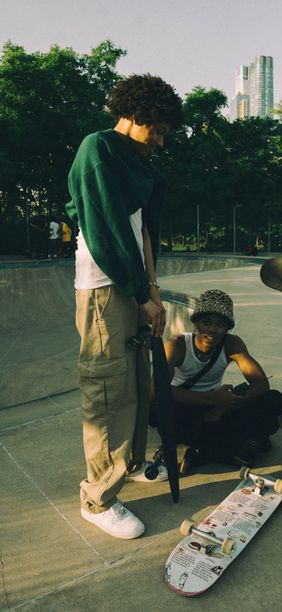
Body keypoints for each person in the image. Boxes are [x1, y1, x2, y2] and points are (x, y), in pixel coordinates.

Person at [65, 74, 182, 540]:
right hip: (104, 288)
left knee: (135, 382)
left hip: (133, 286)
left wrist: (153, 292)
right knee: (107, 389)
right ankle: (97, 496)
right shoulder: (99, 148)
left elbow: (143, 233)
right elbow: (106, 231)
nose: (161, 140)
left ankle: (127, 464)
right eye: (159, 129)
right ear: (136, 115)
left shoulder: (143, 166)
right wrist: (136, 294)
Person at [163, 289, 282, 473]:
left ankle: (205, 450)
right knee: (167, 416)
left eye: (219, 325)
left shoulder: (231, 344)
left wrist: (224, 406)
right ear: (196, 323)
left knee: (274, 400)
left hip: (216, 408)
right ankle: (229, 448)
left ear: (227, 328)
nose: (212, 330)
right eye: (206, 322)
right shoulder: (177, 346)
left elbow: (261, 384)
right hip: (187, 407)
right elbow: (159, 391)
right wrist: (213, 399)